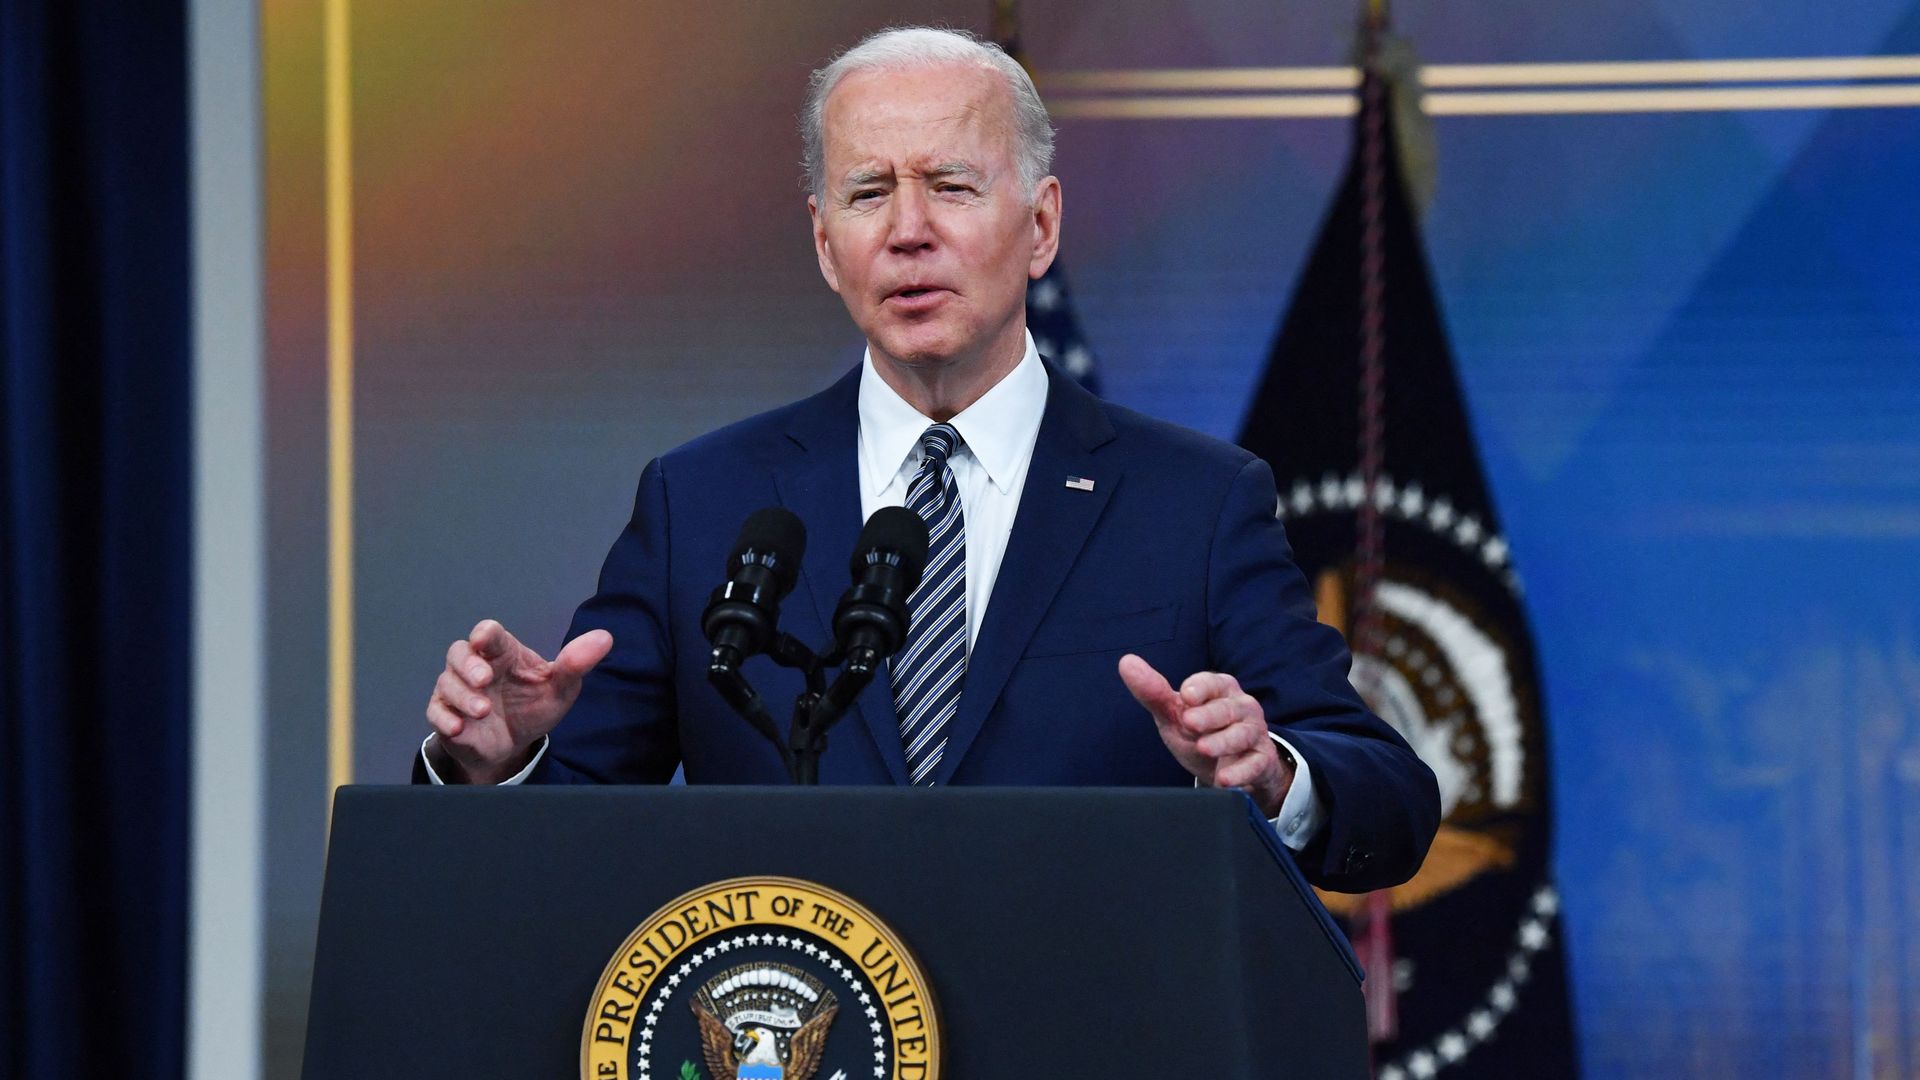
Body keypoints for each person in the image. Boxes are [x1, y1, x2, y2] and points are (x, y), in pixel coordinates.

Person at [419, 27, 1438, 892]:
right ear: (827, 248)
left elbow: (1387, 799)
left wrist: (1273, 775)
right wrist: (492, 766)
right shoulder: (706, 500)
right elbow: (568, 839)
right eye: (868, 194)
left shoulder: (1196, 502)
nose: (909, 232)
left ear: (1039, 227)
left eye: (950, 185)